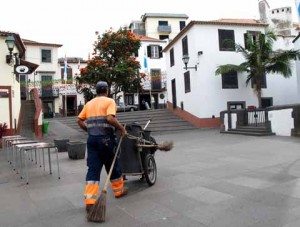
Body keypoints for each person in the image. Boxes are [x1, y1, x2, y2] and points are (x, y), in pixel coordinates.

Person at [77, 81, 127, 212]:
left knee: (93, 169)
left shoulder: (89, 103)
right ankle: (119, 191)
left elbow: (79, 120)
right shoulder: (109, 101)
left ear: (96, 91)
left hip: (92, 140)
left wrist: (88, 130)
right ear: (107, 90)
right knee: (113, 165)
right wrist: (122, 128)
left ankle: (90, 200)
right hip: (106, 140)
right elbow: (110, 119)